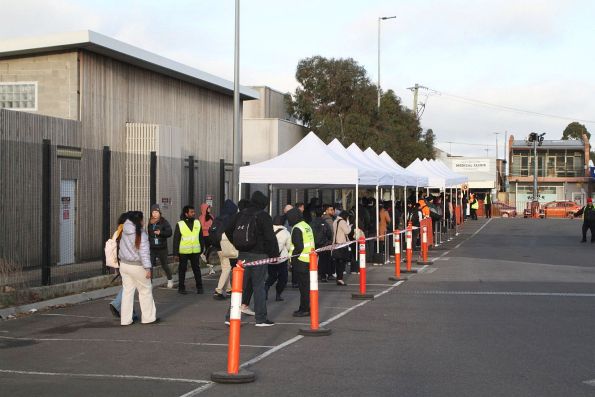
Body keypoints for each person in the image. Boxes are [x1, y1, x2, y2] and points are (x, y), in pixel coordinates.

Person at [225, 191, 279, 327]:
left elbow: (227, 230)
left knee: (238, 288)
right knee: (259, 287)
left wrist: (237, 244)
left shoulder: (240, 214)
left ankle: (230, 316)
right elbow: (270, 238)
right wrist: (273, 255)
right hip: (259, 256)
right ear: (263, 204)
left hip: (242, 255)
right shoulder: (264, 216)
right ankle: (260, 319)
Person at [118, 211, 158, 325]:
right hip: (137, 266)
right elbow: (144, 253)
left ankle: (125, 320)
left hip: (124, 265)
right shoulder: (141, 234)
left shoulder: (124, 230)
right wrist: (148, 268)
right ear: (139, 220)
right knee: (145, 290)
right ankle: (148, 318)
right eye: (142, 219)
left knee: (127, 292)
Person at [109, 212, 138, 321]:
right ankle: (116, 304)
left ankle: (132, 313)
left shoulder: (118, 231)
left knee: (128, 286)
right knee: (129, 287)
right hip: (128, 262)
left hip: (120, 262)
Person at [286, 207, 315, 316]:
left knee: (303, 288)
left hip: (300, 260)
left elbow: (298, 246)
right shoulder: (306, 226)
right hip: (309, 260)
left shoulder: (297, 228)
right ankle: (306, 307)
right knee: (306, 287)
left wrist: (292, 260)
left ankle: (304, 309)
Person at [210, 199, 239, 300]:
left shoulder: (217, 219)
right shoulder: (230, 219)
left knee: (225, 268)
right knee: (227, 268)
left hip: (218, 247)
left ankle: (229, 289)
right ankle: (218, 291)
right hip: (226, 247)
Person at [173, 205, 204, 295]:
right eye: (191, 212)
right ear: (186, 213)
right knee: (182, 270)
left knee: (196, 269)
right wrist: (175, 253)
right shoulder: (180, 224)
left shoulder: (197, 223)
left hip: (195, 251)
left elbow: (200, 237)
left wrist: (202, 249)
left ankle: (200, 287)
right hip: (184, 252)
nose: (193, 213)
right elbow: (176, 239)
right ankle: (181, 288)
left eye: (194, 212)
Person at [147, 204, 174, 288]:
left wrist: (161, 233)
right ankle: (149, 283)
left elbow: (169, 232)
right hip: (152, 248)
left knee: (164, 265)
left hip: (162, 247)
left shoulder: (164, 222)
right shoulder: (150, 222)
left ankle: (170, 279)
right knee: (150, 265)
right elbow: (150, 234)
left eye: (156, 212)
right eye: (153, 212)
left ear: (159, 213)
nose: (154, 214)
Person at [265, 215, 291, 301]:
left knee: (272, 276)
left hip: (269, 259)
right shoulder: (286, 233)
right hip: (281, 259)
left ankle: (266, 286)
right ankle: (278, 294)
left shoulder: (268, 230)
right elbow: (288, 246)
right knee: (283, 278)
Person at [331, 210, 352, 285]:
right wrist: (349, 227)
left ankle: (338, 278)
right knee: (341, 262)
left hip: (335, 244)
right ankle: (340, 278)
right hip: (341, 244)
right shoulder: (342, 222)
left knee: (337, 262)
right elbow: (347, 231)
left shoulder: (335, 221)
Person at [320, 204, 336, 280]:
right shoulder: (329, 220)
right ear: (326, 211)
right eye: (331, 210)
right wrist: (333, 241)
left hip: (322, 242)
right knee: (328, 259)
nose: (333, 211)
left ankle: (322, 274)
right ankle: (328, 273)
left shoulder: (321, 218)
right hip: (328, 242)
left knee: (322, 259)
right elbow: (332, 232)